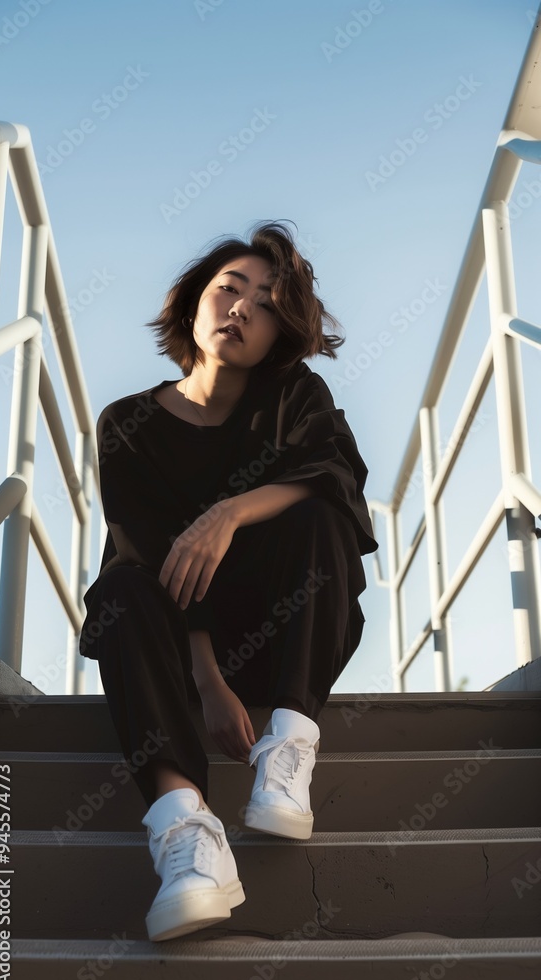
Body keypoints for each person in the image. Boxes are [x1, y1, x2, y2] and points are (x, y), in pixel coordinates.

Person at [78, 219, 379, 942]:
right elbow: (143, 554)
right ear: (194, 303)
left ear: (284, 331)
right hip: (180, 653)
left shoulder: (295, 397)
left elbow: (336, 477)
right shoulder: (128, 424)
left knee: (318, 516)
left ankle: (290, 747)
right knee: (119, 592)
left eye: (269, 302)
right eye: (230, 289)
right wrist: (209, 683)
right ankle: (189, 837)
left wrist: (231, 511)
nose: (244, 308)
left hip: (286, 646)